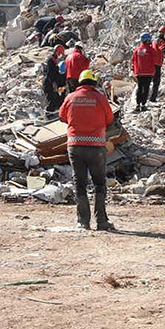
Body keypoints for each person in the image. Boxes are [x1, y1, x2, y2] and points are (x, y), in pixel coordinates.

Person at [60, 69, 115, 231]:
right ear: (93, 83)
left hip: (75, 146)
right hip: (96, 147)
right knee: (99, 183)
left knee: (80, 183)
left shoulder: (70, 98)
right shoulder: (100, 98)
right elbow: (110, 118)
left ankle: (83, 221)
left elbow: (62, 117)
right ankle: (101, 221)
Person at [131, 33, 158, 112]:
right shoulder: (151, 50)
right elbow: (155, 61)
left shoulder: (137, 50)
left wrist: (133, 70)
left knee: (140, 88)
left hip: (139, 73)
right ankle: (143, 105)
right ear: (148, 40)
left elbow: (133, 61)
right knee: (146, 89)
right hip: (148, 73)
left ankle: (137, 105)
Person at [42, 45, 68, 113]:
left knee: (58, 98)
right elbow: (50, 74)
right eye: (59, 53)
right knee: (52, 100)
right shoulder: (50, 61)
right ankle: (48, 114)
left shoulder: (52, 60)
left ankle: (58, 112)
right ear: (56, 52)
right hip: (49, 83)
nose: (60, 55)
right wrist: (54, 83)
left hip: (52, 82)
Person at [151, 25, 165, 102]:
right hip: (157, 64)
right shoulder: (161, 41)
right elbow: (163, 49)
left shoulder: (154, 40)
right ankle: (153, 99)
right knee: (156, 82)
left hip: (152, 63)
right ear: (163, 33)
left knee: (152, 81)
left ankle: (150, 98)